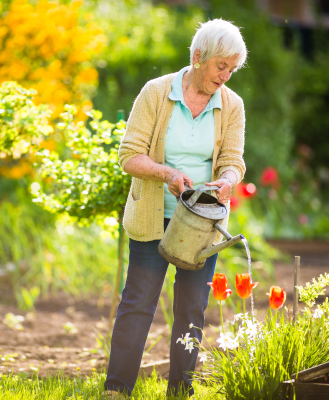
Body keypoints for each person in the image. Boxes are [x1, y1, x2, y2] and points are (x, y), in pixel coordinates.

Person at [103, 19, 247, 398]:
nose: (226, 77)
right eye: (221, 67)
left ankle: (180, 392)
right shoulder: (156, 93)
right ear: (198, 57)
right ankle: (116, 389)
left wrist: (228, 180)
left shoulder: (232, 105)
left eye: (232, 70)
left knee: (192, 310)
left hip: (202, 224)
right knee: (138, 304)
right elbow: (129, 156)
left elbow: (234, 160)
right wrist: (166, 173)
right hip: (154, 217)